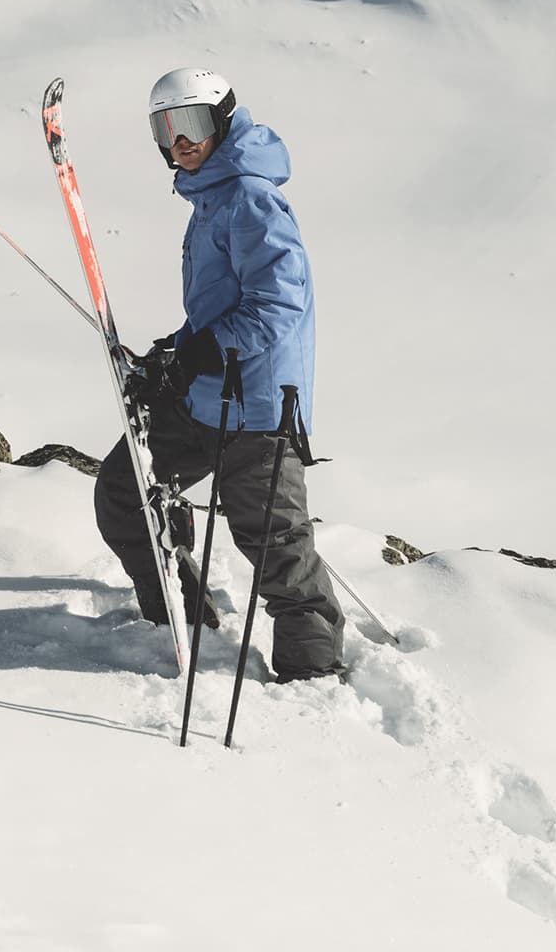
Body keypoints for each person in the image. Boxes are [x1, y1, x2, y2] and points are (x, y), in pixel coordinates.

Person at [91, 66, 346, 682]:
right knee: (127, 494)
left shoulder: (252, 198)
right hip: (208, 396)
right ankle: (179, 609)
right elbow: (218, 308)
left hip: (256, 408)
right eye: (166, 127)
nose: (180, 140)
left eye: (193, 123)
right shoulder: (211, 195)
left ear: (224, 121)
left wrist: (203, 352)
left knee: (276, 551)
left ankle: (313, 676)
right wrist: (172, 355)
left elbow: (277, 303)